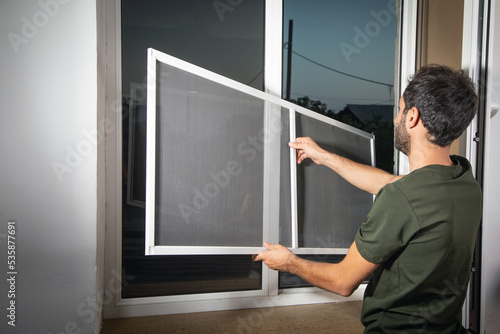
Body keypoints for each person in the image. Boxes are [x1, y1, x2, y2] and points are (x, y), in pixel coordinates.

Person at [253, 64, 482, 333]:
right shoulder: (464, 180)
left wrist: (289, 262)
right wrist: (325, 157)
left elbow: (342, 281)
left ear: (413, 118)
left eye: (400, 109)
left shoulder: (402, 199)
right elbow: (390, 184)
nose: (396, 119)